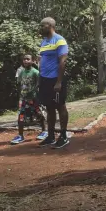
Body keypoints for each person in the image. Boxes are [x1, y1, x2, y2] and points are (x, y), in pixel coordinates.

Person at [38, 17, 70, 148]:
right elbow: (42, 60)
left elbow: (63, 61)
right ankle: (51, 136)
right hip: (44, 80)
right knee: (49, 108)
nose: (40, 28)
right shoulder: (44, 42)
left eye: (42, 25)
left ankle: (63, 135)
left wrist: (59, 82)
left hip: (55, 79)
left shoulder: (60, 40)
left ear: (50, 25)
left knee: (60, 106)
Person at [10, 54, 47, 145]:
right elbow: (19, 84)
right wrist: (21, 96)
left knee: (39, 114)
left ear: (32, 61)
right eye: (24, 59)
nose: (25, 61)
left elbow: (39, 85)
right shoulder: (21, 72)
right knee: (21, 117)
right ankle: (20, 135)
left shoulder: (35, 72)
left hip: (34, 98)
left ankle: (44, 131)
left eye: (28, 59)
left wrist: (37, 96)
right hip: (23, 99)